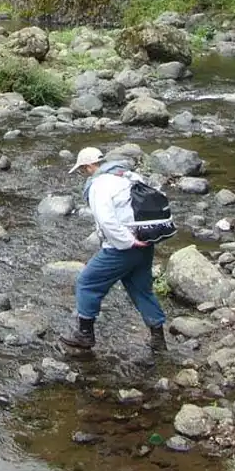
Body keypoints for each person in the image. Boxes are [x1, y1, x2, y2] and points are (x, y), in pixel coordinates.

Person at [59, 147, 168, 353]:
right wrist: (137, 240)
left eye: (83, 170)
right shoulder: (129, 175)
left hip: (123, 247)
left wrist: (127, 242)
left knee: (87, 283)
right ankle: (158, 339)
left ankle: (85, 335)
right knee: (140, 290)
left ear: (90, 166)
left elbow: (106, 220)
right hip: (146, 240)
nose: (84, 174)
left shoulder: (99, 185)